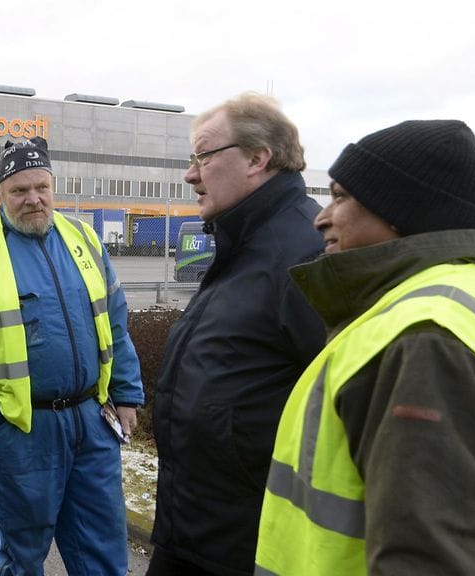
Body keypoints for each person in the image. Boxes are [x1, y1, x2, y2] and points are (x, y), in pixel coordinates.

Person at [256, 119, 475, 575]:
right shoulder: (448, 299)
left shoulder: (424, 337)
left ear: (401, 213)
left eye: (342, 197)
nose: (321, 216)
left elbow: (431, 558)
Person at [0, 135, 145, 575]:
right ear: (0, 194)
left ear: (53, 187)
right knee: (22, 553)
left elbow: (115, 324)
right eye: (19, 190)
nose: (33, 200)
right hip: (24, 430)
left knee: (103, 549)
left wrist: (126, 393)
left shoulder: (83, 238)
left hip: (92, 420)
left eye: (41, 188)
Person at [149, 93, 326, 576]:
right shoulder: (244, 242)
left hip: (246, 541)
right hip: (194, 527)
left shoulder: (305, 254)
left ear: (256, 158)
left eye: (203, 156)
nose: (190, 174)